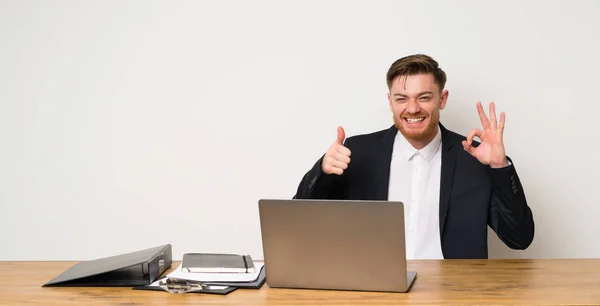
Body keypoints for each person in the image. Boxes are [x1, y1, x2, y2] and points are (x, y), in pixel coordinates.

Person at [293, 54, 534, 259]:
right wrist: (322, 170)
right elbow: (299, 221)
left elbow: (519, 238)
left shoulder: (474, 159)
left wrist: (500, 167)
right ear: (390, 102)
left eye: (424, 97)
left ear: (443, 99)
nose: (412, 108)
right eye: (402, 98)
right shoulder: (357, 152)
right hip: (376, 293)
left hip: (454, 294)